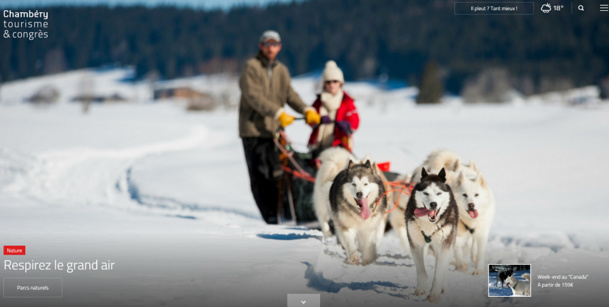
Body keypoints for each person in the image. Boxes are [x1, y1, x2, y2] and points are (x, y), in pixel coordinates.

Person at [239, 30, 320, 224]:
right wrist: (278, 113)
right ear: (261, 46)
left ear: (279, 47)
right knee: (260, 176)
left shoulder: (281, 70)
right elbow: (253, 96)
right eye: (267, 44)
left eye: (274, 44)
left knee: (278, 173)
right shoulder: (251, 67)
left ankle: (282, 215)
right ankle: (269, 217)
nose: (271, 47)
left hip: (273, 132)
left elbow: (289, 95)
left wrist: (306, 109)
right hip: (253, 131)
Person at [307, 60, 359, 155]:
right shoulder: (318, 101)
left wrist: (347, 124)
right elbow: (309, 119)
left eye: (335, 81)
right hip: (319, 146)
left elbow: (355, 121)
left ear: (340, 83)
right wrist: (318, 120)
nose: (332, 85)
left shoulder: (347, 101)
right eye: (328, 82)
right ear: (324, 84)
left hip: (340, 145)